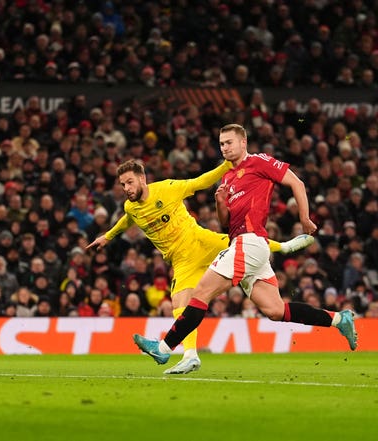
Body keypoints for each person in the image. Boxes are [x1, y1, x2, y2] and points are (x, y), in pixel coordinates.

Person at [131, 124, 358, 370]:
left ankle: (164, 349)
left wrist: (304, 217)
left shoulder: (260, 162)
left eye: (229, 142)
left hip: (249, 242)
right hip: (247, 245)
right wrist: (220, 202)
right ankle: (338, 319)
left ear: (243, 142)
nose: (225, 148)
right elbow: (225, 223)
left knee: (200, 293)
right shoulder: (227, 178)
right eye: (221, 144)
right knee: (275, 310)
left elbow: (297, 183)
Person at [87, 156, 315, 374]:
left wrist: (226, 166)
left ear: (142, 178)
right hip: (182, 259)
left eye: (129, 182)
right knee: (180, 303)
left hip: (199, 241)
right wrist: (108, 236)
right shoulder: (130, 206)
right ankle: (190, 356)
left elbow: (201, 182)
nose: (126, 188)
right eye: (122, 184)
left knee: (240, 241)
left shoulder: (167, 188)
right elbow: (128, 219)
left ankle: (284, 247)